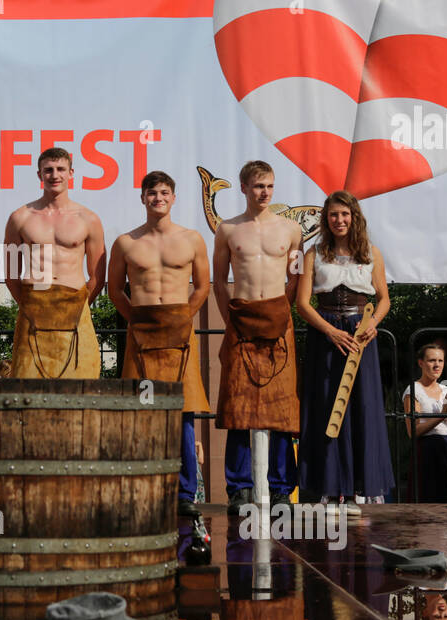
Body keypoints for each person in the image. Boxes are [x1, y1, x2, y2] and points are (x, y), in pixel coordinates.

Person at [108, 170, 212, 518]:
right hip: (142, 331)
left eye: (165, 192)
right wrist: (135, 319)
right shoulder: (126, 242)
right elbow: (113, 289)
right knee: (142, 411)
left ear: (174, 197)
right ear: (143, 198)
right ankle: (145, 484)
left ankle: (184, 492)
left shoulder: (192, 239)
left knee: (183, 414)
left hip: (179, 331)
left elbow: (202, 286)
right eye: (152, 193)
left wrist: (184, 317)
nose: (158, 198)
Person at [211, 161, 301, 512]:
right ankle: (239, 489)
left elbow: (296, 275)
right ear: (244, 188)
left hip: (277, 318)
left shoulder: (291, 230)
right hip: (241, 318)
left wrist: (283, 313)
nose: (264, 192)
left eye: (269, 186)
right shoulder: (227, 230)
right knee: (237, 407)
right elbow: (219, 280)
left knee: (282, 410)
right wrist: (228, 318)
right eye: (258, 186)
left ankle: (281, 489)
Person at [296, 189, 393, 504]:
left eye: (344, 214)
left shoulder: (372, 253)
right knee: (325, 405)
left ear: (354, 217)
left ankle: (359, 491)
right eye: (334, 215)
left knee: (360, 405)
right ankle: (327, 487)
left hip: (359, 334)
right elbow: (302, 304)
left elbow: (383, 299)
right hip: (326, 336)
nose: (339, 220)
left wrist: (372, 324)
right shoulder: (314, 253)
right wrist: (330, 332)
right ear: (326, 218)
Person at [4, 148, 105, 379]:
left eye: (60, 169)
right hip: (33, 309)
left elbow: (97, 276)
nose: (54, 175)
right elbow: (10, 274)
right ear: (39, 175)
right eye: (48, 170)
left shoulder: (89, 219)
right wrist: (31, 305)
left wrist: (77, 305)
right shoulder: (19, 217)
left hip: (76, 308)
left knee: (81, 385)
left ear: (71, 173)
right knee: (28, 388)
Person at [401, 341, 447, 502]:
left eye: (440, 361)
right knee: (426, 495)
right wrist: (441, 415)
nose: (436, 365)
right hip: (425, 450)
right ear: (421, 363)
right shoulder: (413, 390)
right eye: (432, 360)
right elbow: (413, 431)